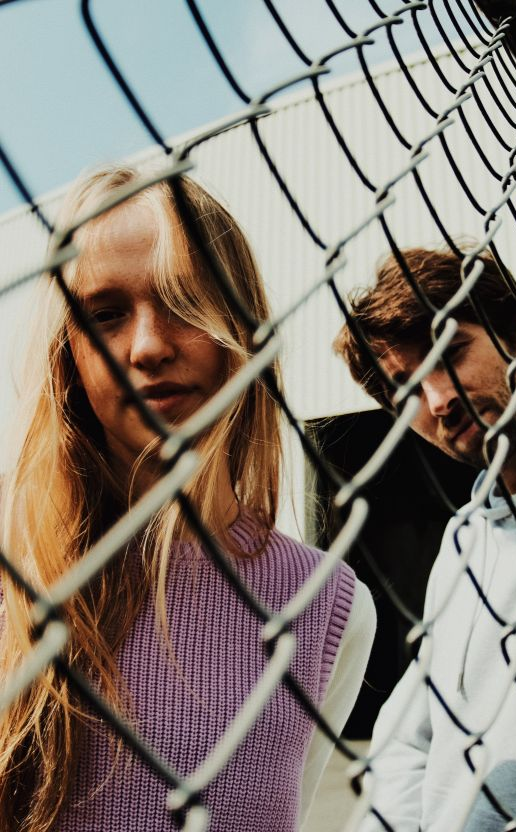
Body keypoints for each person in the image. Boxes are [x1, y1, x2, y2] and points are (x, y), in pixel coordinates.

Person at [0, 166, 375, 832]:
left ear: (243, 325)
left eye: (183, 300)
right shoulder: (14, 576)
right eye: (105, 314)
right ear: (69, 358)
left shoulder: (328, 607)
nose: (147, 347)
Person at [334, 246, 516, 831]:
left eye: (450, 353)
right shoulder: (465, 542)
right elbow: (408, 743)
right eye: (406, 387)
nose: (438, 399)